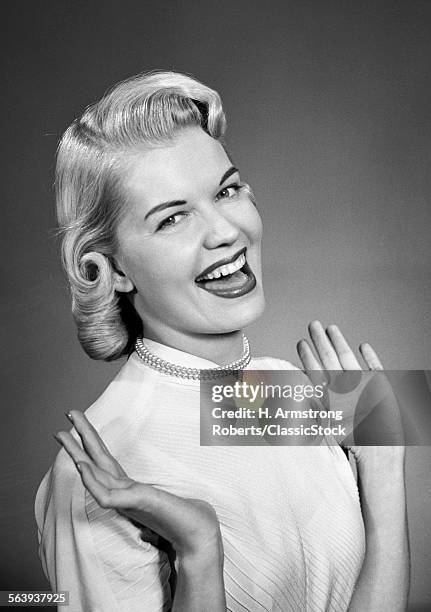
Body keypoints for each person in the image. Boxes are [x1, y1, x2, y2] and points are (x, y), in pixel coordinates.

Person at [35, 71, 409, 611]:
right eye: (172, 218)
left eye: (227, 190)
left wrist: (386, 465)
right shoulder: (97, 469)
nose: (225, 231)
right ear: (110, 269)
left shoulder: (286, 390)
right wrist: (199, 550)